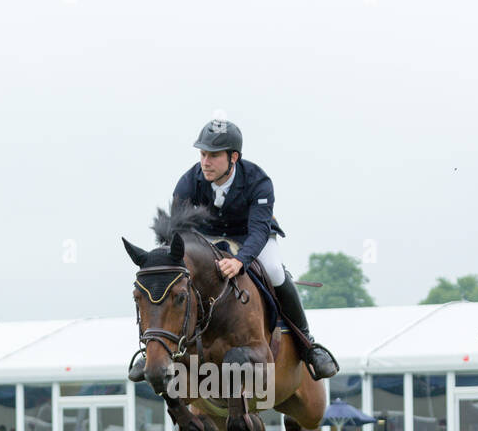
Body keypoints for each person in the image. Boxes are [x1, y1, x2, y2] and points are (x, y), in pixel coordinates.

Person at [129, 119, 338, 382]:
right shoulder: (188, 182)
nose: (205, 162)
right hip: (207, 239)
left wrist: (241, 260)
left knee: (274, 270)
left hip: (250, 235)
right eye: (203, 154)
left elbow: (260, 230)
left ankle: (308, 345)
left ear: (233, 157)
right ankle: (150, 349)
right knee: (177, 279)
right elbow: (177, 232)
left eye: (214, 156)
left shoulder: (258, 181)